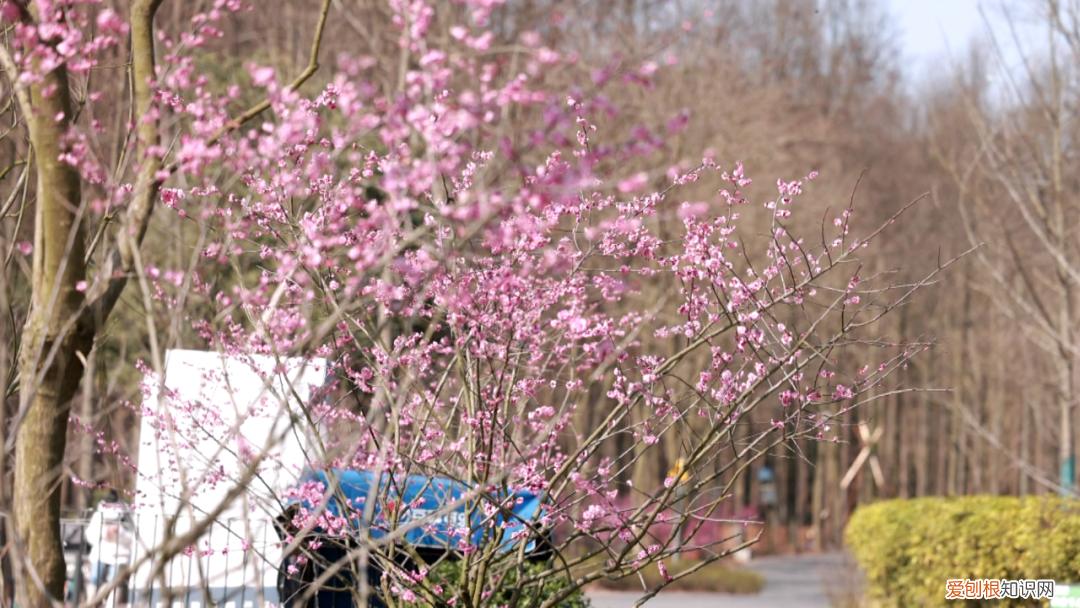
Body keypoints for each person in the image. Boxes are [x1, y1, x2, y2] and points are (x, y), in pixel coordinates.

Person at [84, 490, 134, 608]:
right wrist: (105, 532)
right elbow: (90, 535)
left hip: (120, 555)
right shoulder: (99, 514)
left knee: (115, 582)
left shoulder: (126, 515)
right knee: (94, 579)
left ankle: (111, 605)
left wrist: (119, 532)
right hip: (101, 553)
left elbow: (132, 536)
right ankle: (91, 603)